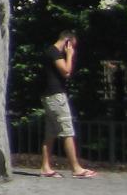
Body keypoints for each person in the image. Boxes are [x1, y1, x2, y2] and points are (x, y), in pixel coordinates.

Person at [39, 30, 97, 178]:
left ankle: (45, 167)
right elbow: (66, 71)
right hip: (56, 96)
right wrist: (70, 55)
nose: (72, 49)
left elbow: (66, 72)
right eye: (72, 45)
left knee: (50, 133)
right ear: (67, 42)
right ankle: (76, 168)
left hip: (48, 96)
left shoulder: (49, 52)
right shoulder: (54, 52)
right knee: (67, 131)